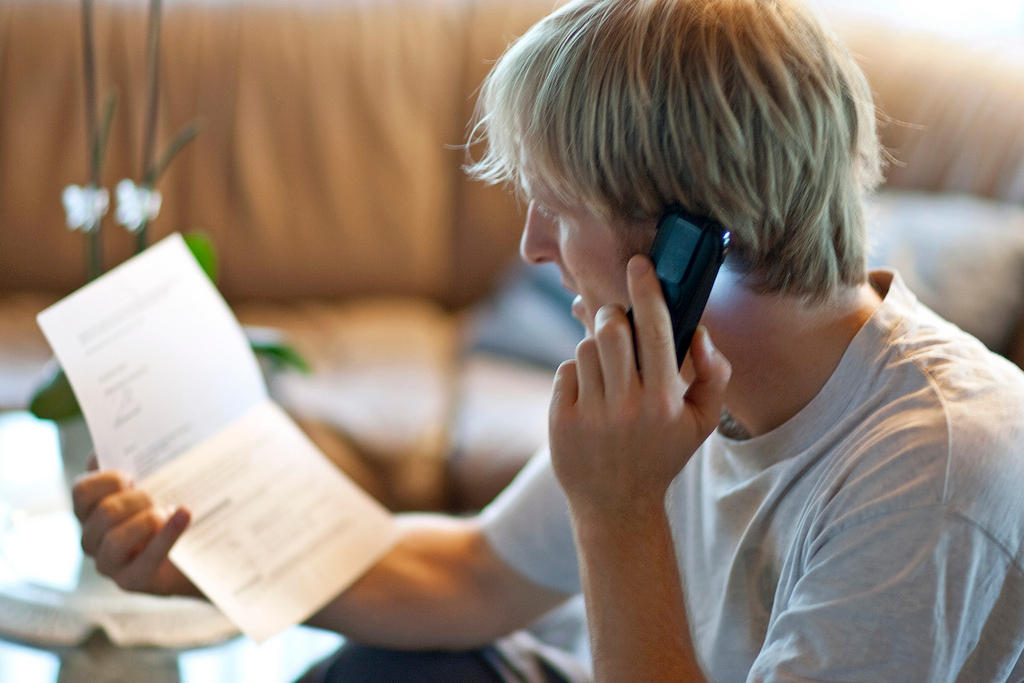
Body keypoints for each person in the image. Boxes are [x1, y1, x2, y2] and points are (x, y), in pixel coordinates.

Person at [70, 0, 1024, 680]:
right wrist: (207, 554)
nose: (532, 247)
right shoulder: (689, 378)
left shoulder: (939, 466)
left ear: (693, 234)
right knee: (383, 671)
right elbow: (472, 572)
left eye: (557, 208)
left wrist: (619, 509)